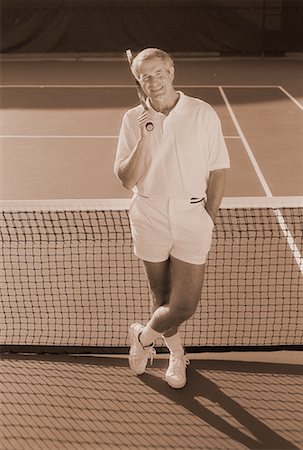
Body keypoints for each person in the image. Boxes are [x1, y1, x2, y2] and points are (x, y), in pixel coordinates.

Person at [114, 48, 230, 389]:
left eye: (159, 72)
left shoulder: (202, 113)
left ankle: (144, 337)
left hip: (192, 215)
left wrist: (207, 217)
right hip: (149, 213)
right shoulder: (132, 119)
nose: (153, 81)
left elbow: (219, 169)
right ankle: (176, 355)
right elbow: (125, 178)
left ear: (172, 71)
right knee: (160, 292)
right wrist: (145, 139)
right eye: (145, 76)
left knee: (183, 304)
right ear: (139, 80)